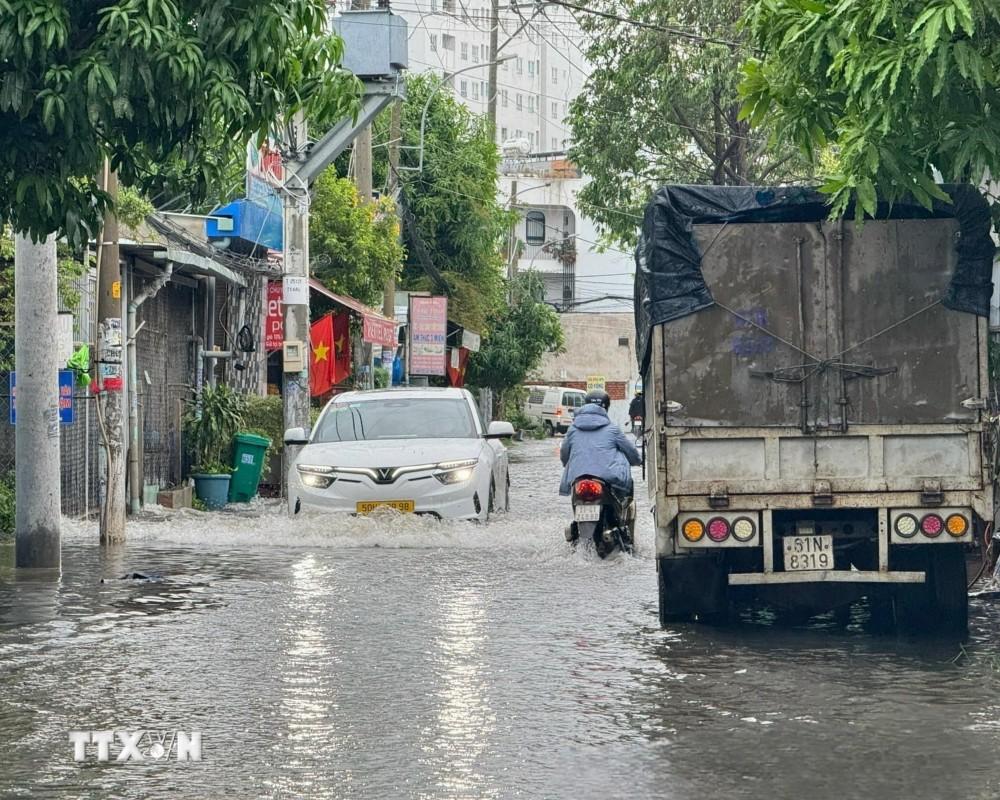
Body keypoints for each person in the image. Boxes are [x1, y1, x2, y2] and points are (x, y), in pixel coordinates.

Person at [559, 390, 642, 497]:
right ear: (606, 407)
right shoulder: (613, 430)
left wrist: (567, 464)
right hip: (609, 478)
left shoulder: (572, 430)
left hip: (576, 476)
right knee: (625, 492)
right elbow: (630, 450)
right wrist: (637, 461)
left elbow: (564, 453)